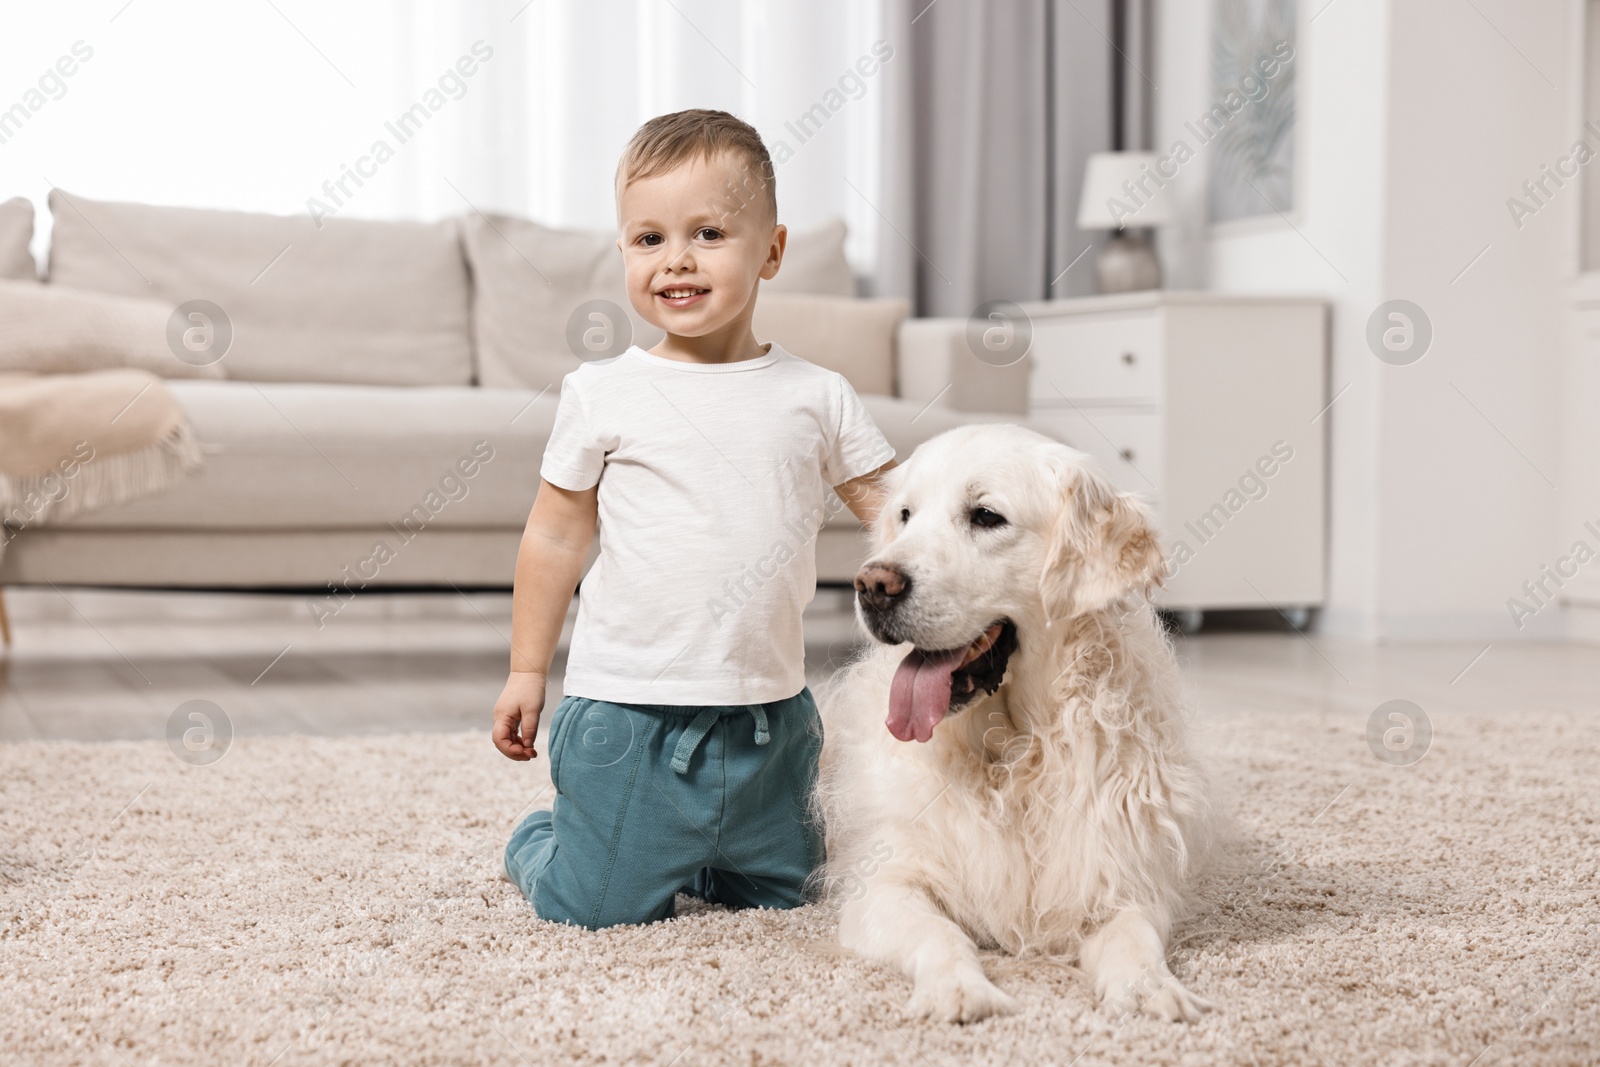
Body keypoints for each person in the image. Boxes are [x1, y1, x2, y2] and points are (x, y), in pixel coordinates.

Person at [494, 108, 899, 929]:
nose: (675, 259)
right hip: (628, 719)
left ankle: (713, 848)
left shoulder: (818, 396)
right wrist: (527, 670)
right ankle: (551, 838)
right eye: (648, 240)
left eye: (708, 232)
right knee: (595, 906)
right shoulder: (602, 392)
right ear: (622, 252)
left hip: (770, 724)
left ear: (772, 251)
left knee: (794, 892)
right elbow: (555, 534)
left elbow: (899, 513)